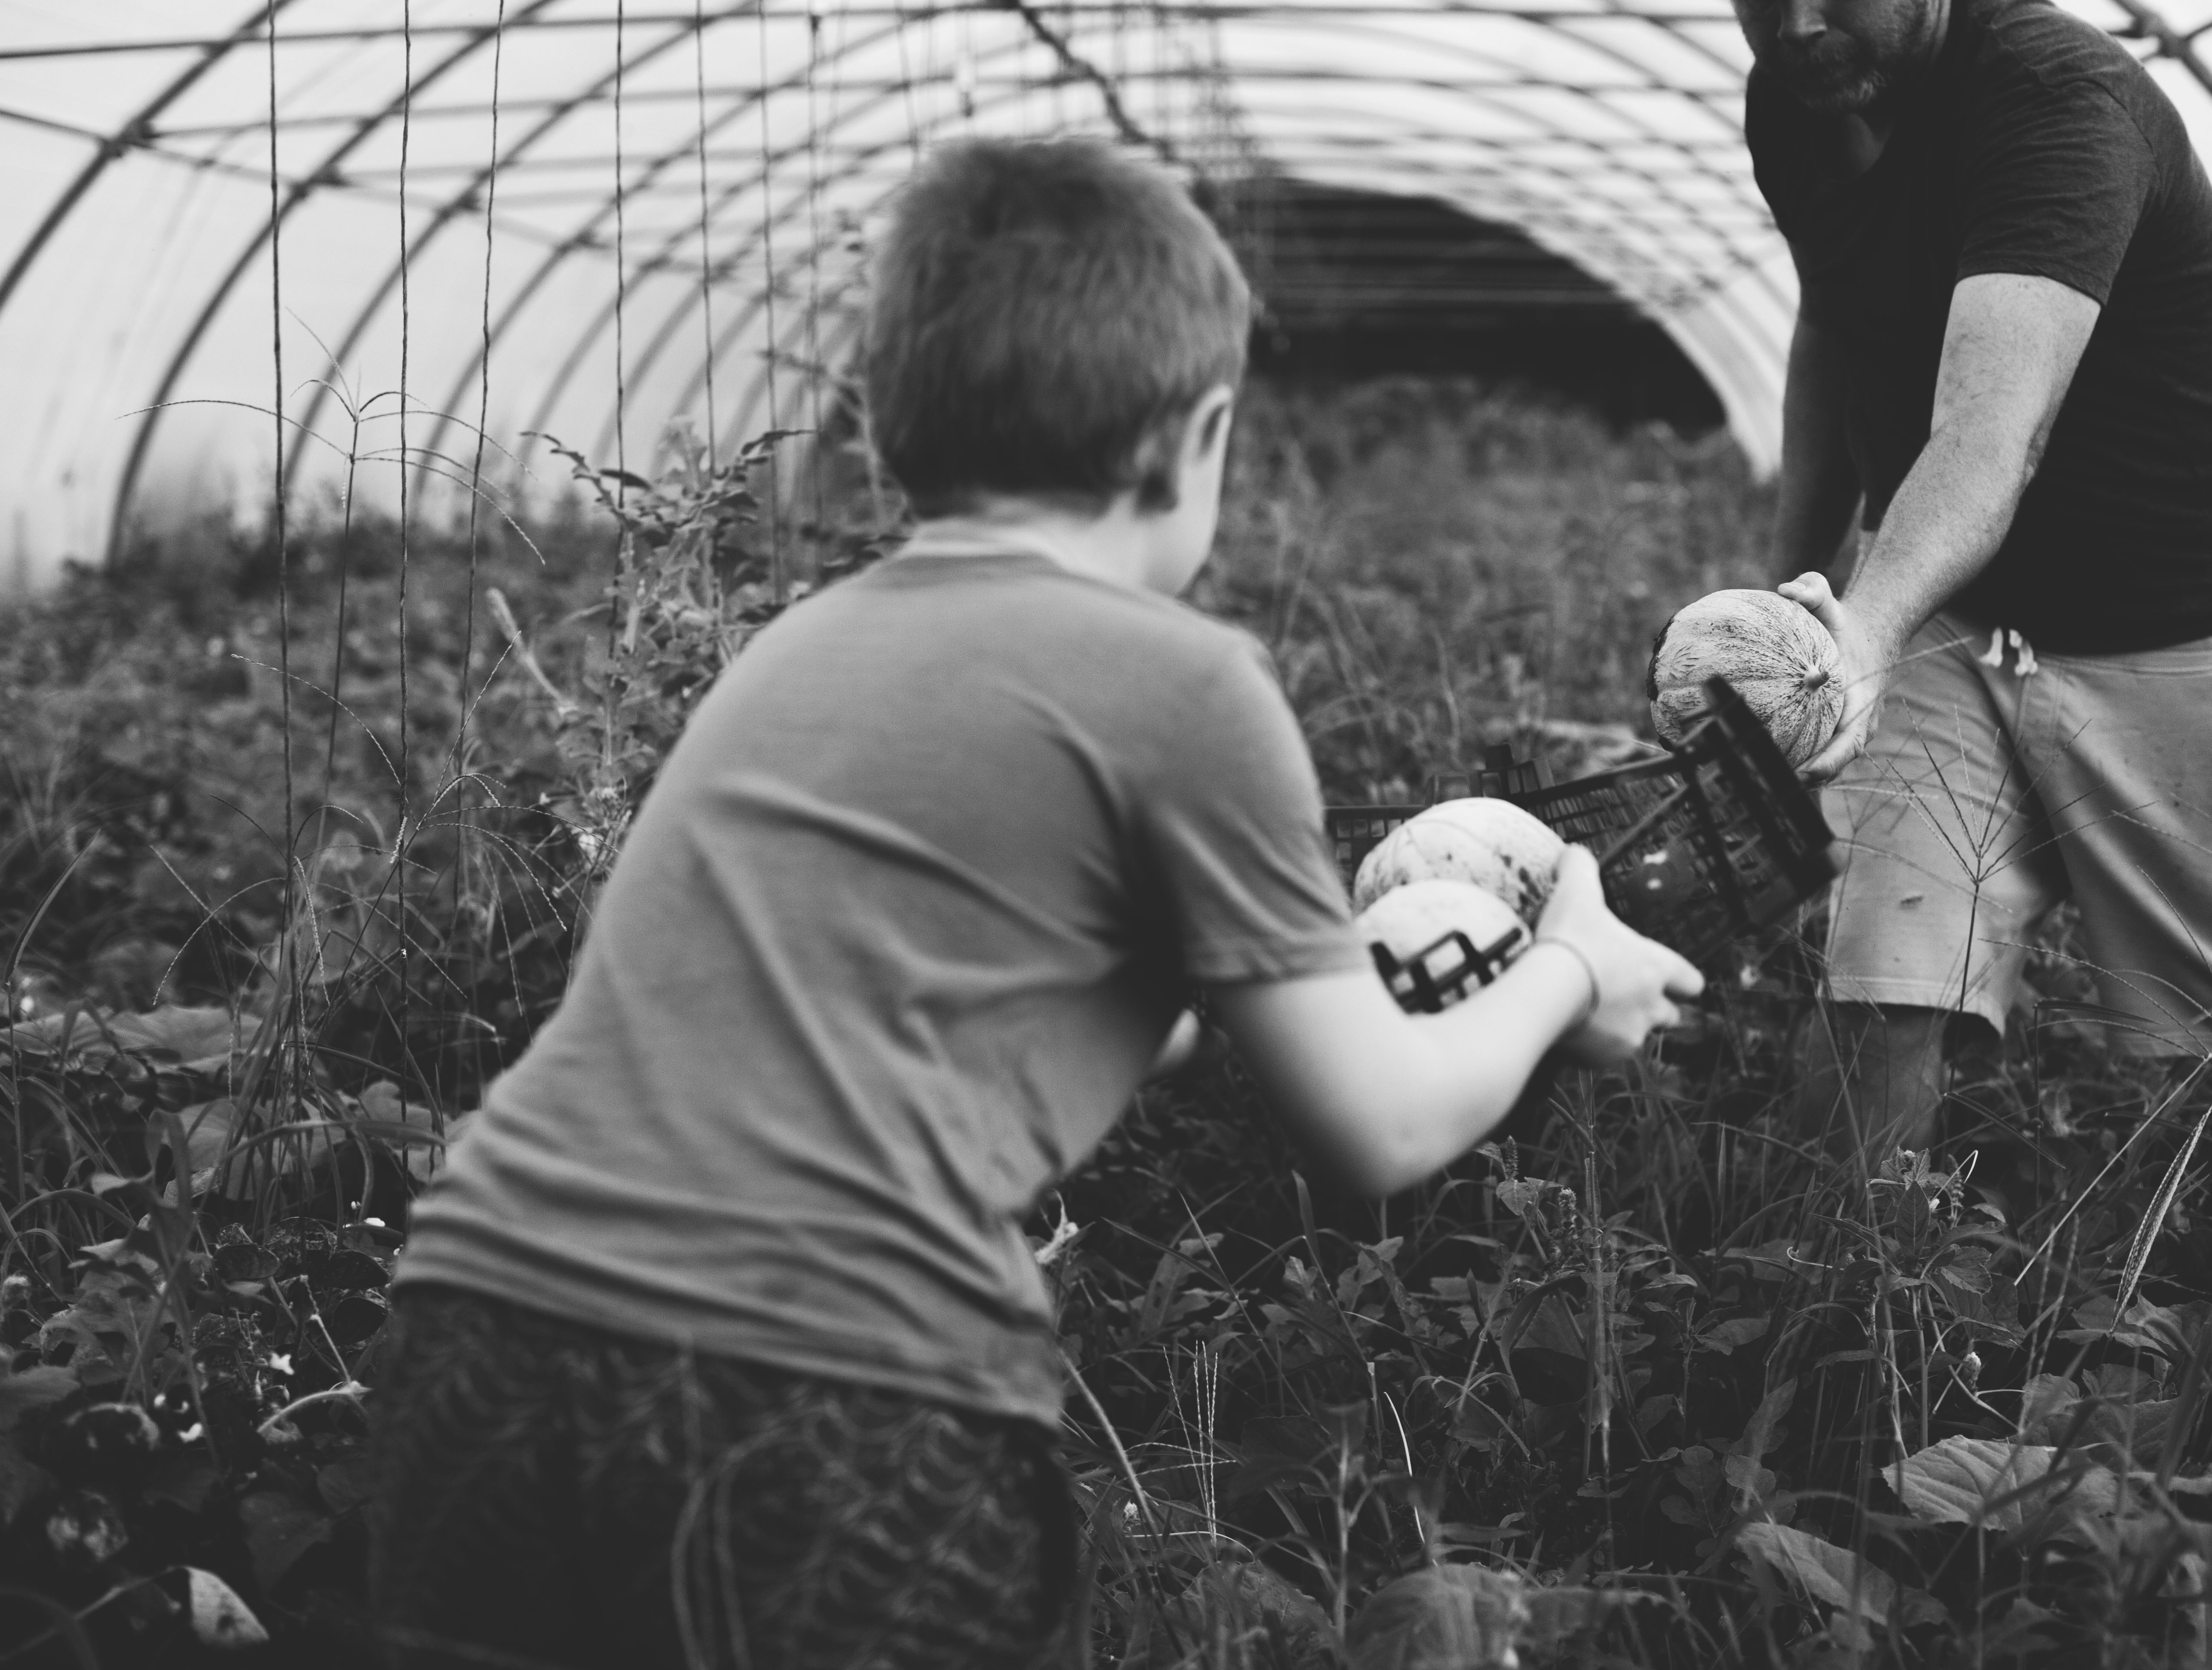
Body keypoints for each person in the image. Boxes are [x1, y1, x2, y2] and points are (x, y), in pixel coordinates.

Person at [363, 137, 1700, 1670]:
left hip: (477, 1324)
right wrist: (1570, 973)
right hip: (821, 1385)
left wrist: (1238, 999)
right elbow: (1381, 1128)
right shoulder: (1188, 684)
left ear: (892, 430)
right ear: (1199, 438)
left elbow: (929, 988)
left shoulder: (802, 648)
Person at [1733, 0, 2212, 1184]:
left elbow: (1992, 434)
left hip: (2176, 610)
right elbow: (1832, 319)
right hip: (1954, 604)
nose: (1800, 23)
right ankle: (1858, 1276)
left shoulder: (2053, 99)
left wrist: (1862, 635)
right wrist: (1797, 609)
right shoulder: (1795, 96)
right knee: (1883, 982)